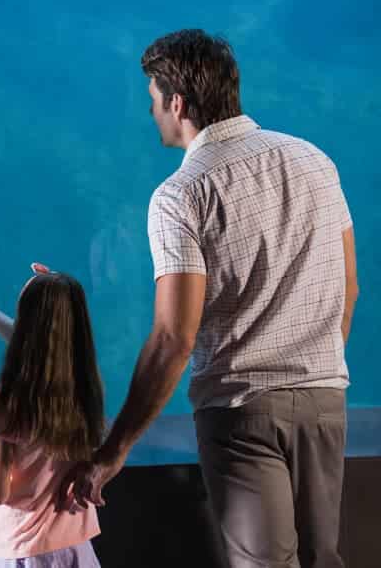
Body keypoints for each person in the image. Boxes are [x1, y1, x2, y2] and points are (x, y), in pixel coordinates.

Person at [61, 29, 358, 568]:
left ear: (177, 104)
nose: (151, 111)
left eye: (153, 99)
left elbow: (174, 337)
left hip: (241, 414)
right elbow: (349, 287)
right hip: (324, 401)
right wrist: (315, 367)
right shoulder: (316, 162)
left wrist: (115, 450)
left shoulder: (181, 195)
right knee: (323, 558)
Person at [0, 272, 104, 568]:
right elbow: (48, 344)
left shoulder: (9, 402)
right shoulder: (84, 390)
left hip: (21, 550)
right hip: (74, 546)